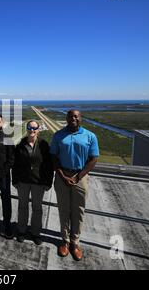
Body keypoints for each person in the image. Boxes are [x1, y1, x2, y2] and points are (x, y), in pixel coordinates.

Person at [50, 109, 99, 261]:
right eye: (71, 116)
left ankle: (75, 243)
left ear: (81, 118)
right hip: (61, 175)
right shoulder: (58, 135)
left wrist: (78, 176)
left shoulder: (90, 136)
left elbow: (93, 159)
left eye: (76, 116)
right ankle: (64, 241)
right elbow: (53, 157)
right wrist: (63, 176)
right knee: (63, 209)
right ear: (66, 118)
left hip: (80, 176)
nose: (73, 118)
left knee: (78, 211)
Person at [12, 120, 54, 245]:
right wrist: (15, 180)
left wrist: (48, 182)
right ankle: (21, 231)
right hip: (23, 182)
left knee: (37, 208)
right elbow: (15, 165)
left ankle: (36, 233)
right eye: (30, 127)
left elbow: (49, 166)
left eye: (35, 128)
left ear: (38, 130)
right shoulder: (21, 144)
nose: (32, 130)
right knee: (22, 206)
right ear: (27, 128)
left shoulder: (44, 145)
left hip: (38, 182)